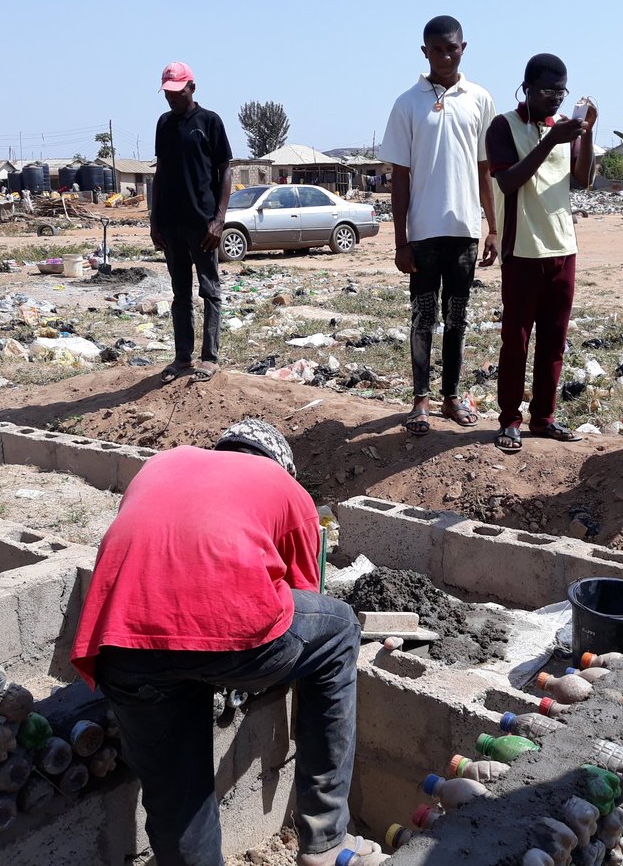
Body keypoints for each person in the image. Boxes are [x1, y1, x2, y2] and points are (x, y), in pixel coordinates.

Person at [72, 419, 385, 866]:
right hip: (231, 627)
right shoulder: (284, 487)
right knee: (337, 632)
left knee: (177, 794)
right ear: (282, 466)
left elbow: (155, 551)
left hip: (121, 640)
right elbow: (300, 599)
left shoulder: (166, 461)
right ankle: (326, 839)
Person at [378, 14, 498, 437]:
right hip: (424, 235)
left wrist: (493, 228)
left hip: (464, 229)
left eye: (453, 48)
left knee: (458, 317)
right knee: (422, 317)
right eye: (437, 49)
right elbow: (401, 178)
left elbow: (486, 170)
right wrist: (401, 242)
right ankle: (420, 401)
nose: (445, 55)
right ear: (424, 51)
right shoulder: (407, 103)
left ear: (463, 48)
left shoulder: (480, 99)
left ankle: (450, 397)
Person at [486, 55, 596, 452]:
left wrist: (587, 135)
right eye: (548, 91)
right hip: (522, 250)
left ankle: (544, 417)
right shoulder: (503, 127)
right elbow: (509, 180)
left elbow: (582, 180)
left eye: (561, 92)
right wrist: (552, 139)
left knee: (554, 340)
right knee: (516, 340)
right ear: (527, 88)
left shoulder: (563, 130)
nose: (555, 99)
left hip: (563, 248)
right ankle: (510, 419)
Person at [150, 61, 233, 385]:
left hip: (202, 225)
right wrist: (154, 221)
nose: (172, 99)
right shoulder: (164, 124)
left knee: (209, 290)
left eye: (177, 92)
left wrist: (219, 220)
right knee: (180, 293)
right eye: (167, 94)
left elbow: (225, 170)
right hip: (171, 224)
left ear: (192, 88)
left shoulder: (209, 122)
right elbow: (160, 173)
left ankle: (210, 358)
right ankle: (182, 357)